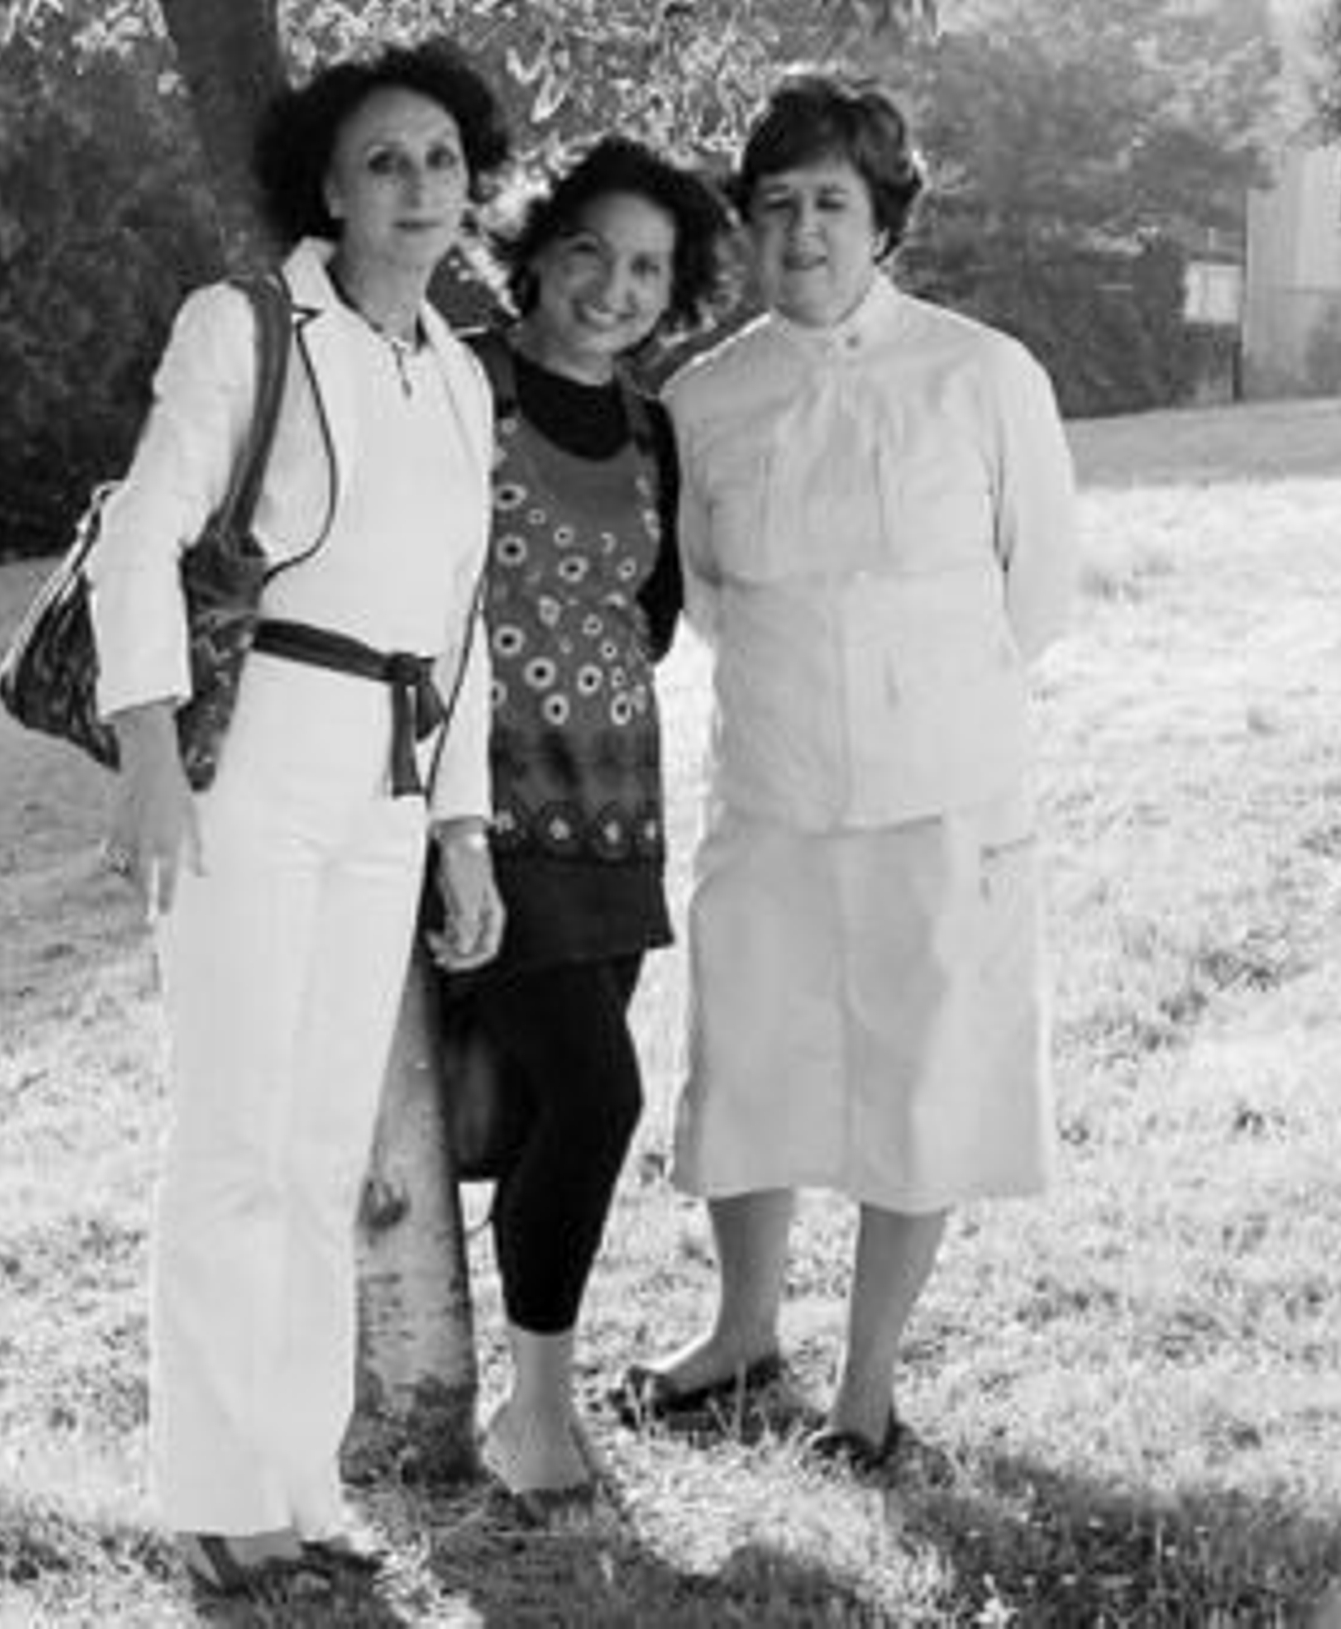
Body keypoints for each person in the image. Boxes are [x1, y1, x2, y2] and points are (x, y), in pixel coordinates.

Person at [85, 40, 510, 1598]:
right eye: (384, 160)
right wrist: (148, 757)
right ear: (326, 184)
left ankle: (300, 1478)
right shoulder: (248, 323)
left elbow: (458, 628)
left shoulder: (462, 373)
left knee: (326, 1147)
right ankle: (214, 1492)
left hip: (389, 784)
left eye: (444, 162)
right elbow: (145, 536)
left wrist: (462, 831)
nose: (416, 188)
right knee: (238, 1138)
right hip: (246, 763)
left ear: (474, 191)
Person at [618, 75, 1077, 1473]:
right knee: (746, 1063)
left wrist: (910, 697)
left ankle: (866, 1388)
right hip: (771, 788)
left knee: (918, 1081)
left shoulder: (982, 374)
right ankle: (742, 1329)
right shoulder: (702, 397)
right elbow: (700, 590)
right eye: (775, 207)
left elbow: (1037, 589)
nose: (801, 230)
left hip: (944, 796)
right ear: (746, 229)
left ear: (884, 221)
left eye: (830, 202)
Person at [448, 137, 729, 1513]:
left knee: (537, 1109)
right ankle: (537, 1415)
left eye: (647, 267)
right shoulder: (463, 383)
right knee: (598, 1094)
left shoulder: (651, 425)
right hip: (480, 815)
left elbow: (655, 613)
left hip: (614, 817)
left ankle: (506, 1383)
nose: (615, 286)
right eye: (590, 251)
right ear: (536, 247)